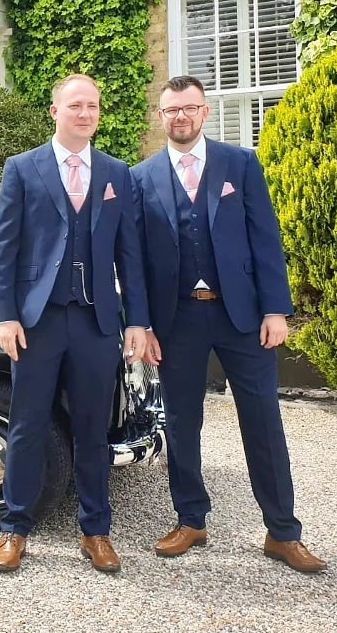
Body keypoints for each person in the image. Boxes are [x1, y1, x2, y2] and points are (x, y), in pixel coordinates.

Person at [132, 75, 326, 573]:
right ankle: (190, 519)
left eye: (190, 108)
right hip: (176, 321)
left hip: (241, 317)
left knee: (262, 420)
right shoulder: (141, 177)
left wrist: (275, 310)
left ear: (205, 113)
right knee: (181, 421)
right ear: (161, 116)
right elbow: (133, 259)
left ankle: (283, 532)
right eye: (172, 109)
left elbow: (265, 238)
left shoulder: (240, 163)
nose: (181, 117)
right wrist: (143, 324)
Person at [0, 74, 149, 574]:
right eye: (76, 105)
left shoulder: (117, 174)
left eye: (93, 107)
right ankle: (15, 529)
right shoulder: (22, 169)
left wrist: (136, 322)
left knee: (92, 430)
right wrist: (6, 316)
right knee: (27, 426)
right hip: (36, 324)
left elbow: (130, 255)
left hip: (96, 322)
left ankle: (95, 531)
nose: (86, 114)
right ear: (55, 111)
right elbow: (4, 251)